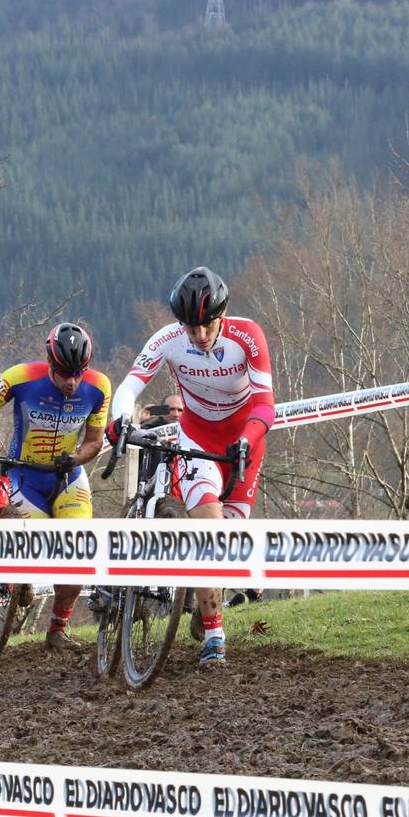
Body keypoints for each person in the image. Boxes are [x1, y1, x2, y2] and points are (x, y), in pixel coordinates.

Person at [107, 266, 274, 667]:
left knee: (227, 546)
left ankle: (205, 607)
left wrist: (245, 441)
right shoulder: (167, 340)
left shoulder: (248, 336)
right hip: (197, 439)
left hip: (243, 441)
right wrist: (119, 420)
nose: (199, 335)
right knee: (207, 528)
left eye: (207, 325)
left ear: (223, 315)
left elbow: (266, 405)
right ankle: (215, 636)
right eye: (190, 327)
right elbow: (131, 385)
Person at [0, 322, 110, 653]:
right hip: (23, 476)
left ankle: (57, 629)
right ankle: (18, 576)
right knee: (32, 545)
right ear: (50, 363)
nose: (71, 381)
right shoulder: (21, 376)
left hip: (68, 476)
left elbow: (95, 441)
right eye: (64, 372)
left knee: (77, 549)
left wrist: (77, 456)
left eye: (78, 373)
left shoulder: (99, 387)